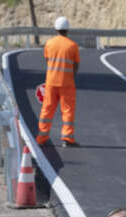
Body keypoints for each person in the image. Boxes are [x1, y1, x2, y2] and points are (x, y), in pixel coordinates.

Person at [37, 16, 80, 147]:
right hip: (67, 83)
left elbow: (47, 61)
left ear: (55, 29)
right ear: (68, 30)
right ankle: (67, 138)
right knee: (67, 110)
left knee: (47, 109)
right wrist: (70, 75)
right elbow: (76, 65)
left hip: (51, 82)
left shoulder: (49, 43)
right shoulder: (72, 45)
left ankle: (41, 138)